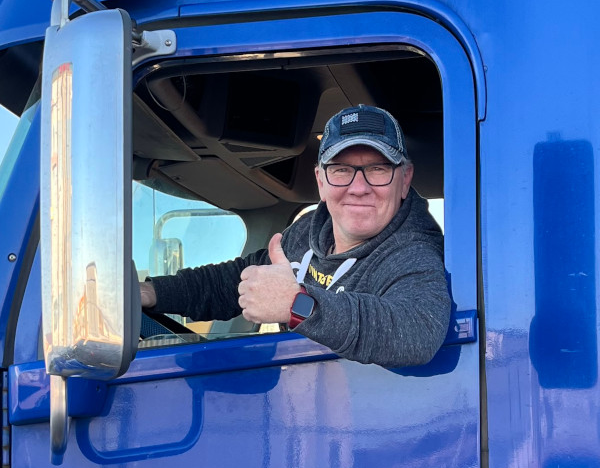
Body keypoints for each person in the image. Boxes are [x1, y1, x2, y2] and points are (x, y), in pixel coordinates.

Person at [141, 104, 450, 367]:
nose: (358, 188)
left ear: (404, 179)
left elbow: (416, 333)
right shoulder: (307, 232)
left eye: (378, 169)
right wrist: (152, 292)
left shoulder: (414, 252)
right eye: (341, 170)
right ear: (321, 181)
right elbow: (236, 281)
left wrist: (297, 304)